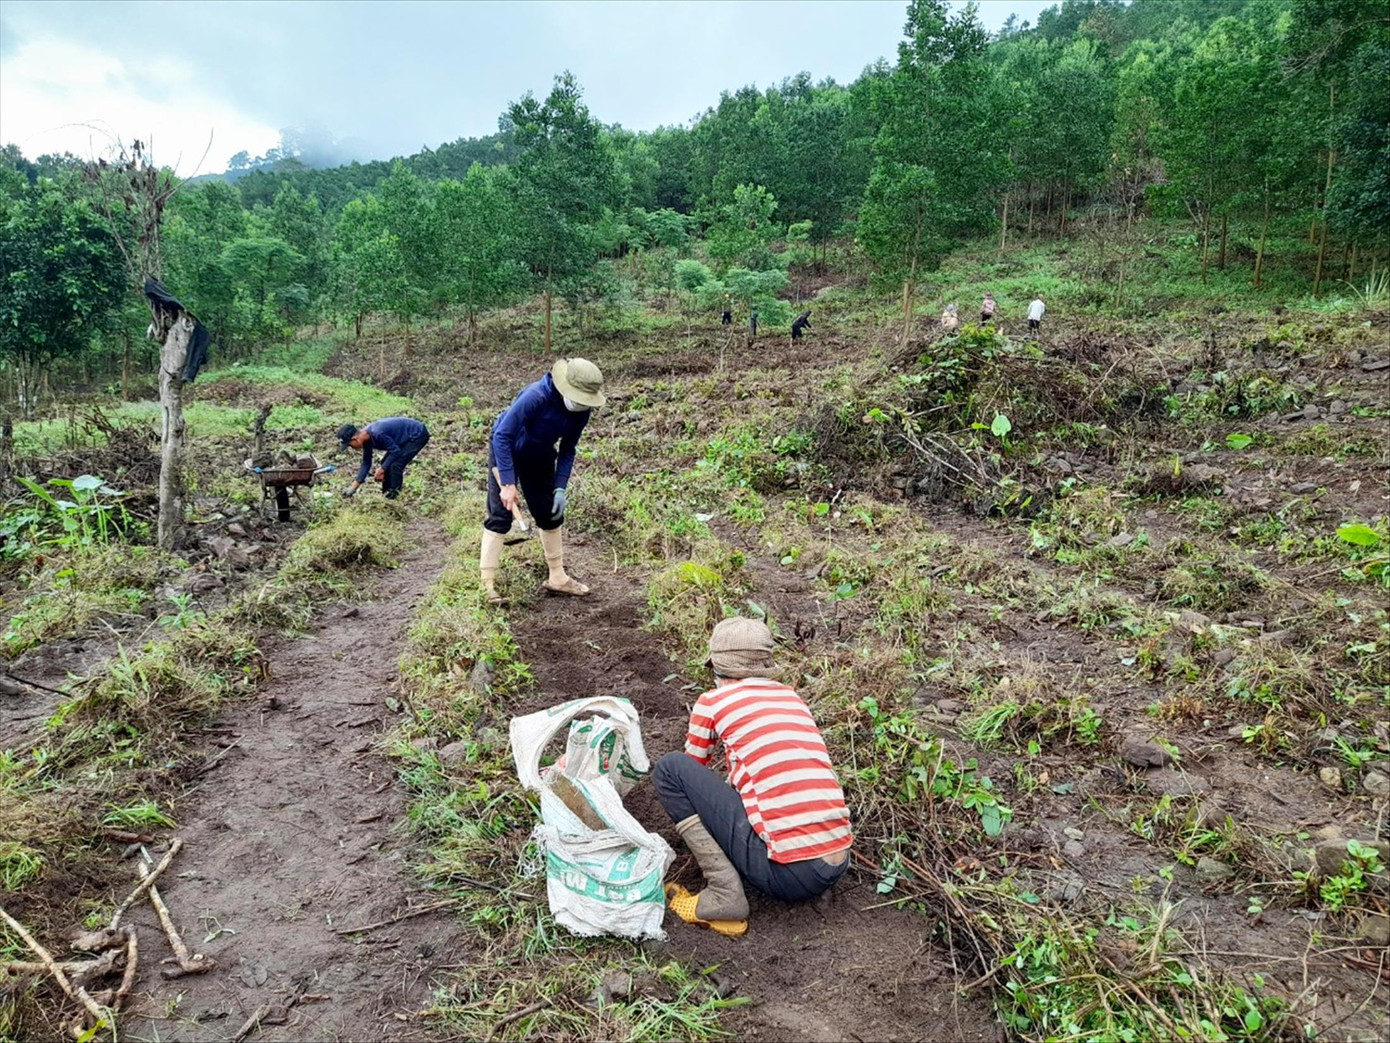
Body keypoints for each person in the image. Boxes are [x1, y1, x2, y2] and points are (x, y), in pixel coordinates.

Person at [652, 618, 852, 937]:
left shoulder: (712, 702)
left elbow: (692, 771)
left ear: (716, 667)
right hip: (837, 861)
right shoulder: (791, 698)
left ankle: (723, 893)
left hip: (791, 876)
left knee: (670, 769)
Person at [480, 357, 605, 604]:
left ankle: (557, 578)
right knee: (500, 516)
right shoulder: (536, 396)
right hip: (507, 449)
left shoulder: (581, 411)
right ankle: (488, 585)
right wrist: (507, 483)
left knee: (550, 514)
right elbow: (503, 435)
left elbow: (569, 449)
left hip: (539, 453)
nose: (583, 404)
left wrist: (560, 487)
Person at [338, 417, 430, 500]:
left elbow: (395, 451)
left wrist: (382, 469)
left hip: (417, 434)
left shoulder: (377, 433)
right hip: (403, 438)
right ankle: (386, 497)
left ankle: (394, 499)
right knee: (386, 464)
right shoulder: (366, 438)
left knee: (395, 465)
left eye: (350, 445)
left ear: (355, 439)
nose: (351, 447)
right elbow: (366, 462)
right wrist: (354, 486)